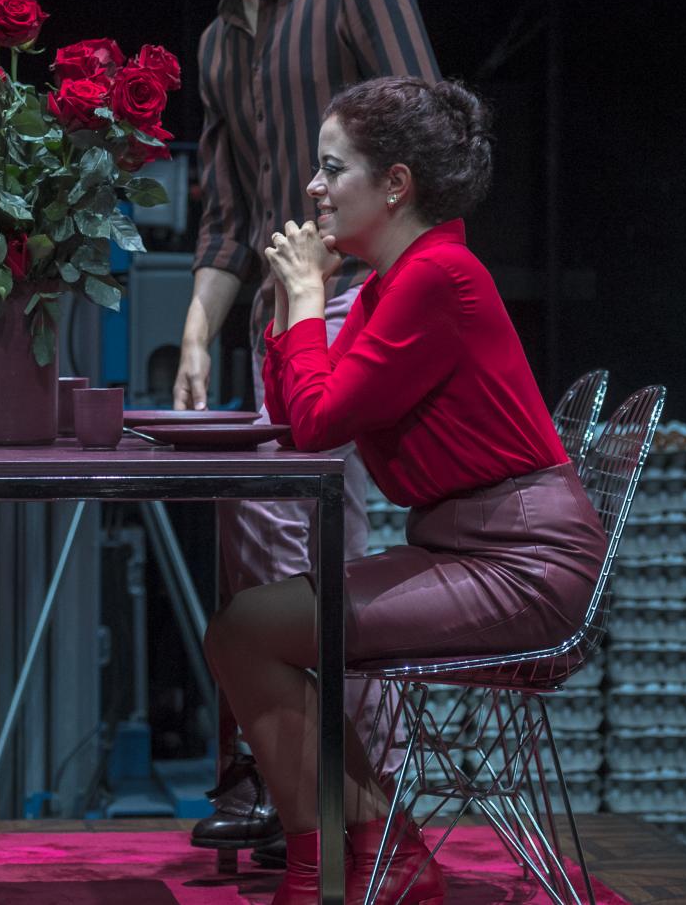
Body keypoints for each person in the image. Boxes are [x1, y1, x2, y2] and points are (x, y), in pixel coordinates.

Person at [203, 76, 607, 904]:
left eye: (332, 168)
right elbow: (302, 417)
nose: (313, 188)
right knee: (248, 627)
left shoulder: (438, 277)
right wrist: (291, 304)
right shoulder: (396, 280)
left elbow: (317, 423)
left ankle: (345, 861)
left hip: (522, 564)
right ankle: (377, 853)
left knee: (248, 631)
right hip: (464, 547)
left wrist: (307, 297)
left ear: (395, 184)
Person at [158, 0, 442, 859]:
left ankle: (362, 804)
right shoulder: (217, 41)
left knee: (316, 554)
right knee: (254, 553)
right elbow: (229, 215)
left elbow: (427, 137)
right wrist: (195, 332)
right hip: (279, 318)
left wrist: (380, 283)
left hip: (359, 298)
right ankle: (285, 785)